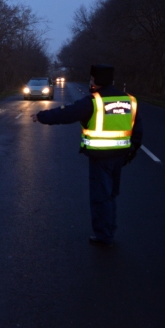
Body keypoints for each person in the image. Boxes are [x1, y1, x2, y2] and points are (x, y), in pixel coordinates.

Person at [31, 64, 143, 247]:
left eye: (92, 79)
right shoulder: (130, 100)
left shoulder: (94, 101)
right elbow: (137, 129)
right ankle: (109, 229)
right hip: (120, 156)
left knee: (101, 196)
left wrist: (42, 116)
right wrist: (132, 151)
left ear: (96, 81)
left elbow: (67, 114)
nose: (90, 82)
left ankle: (104, 235)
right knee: (111, 195)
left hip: (101, 157)